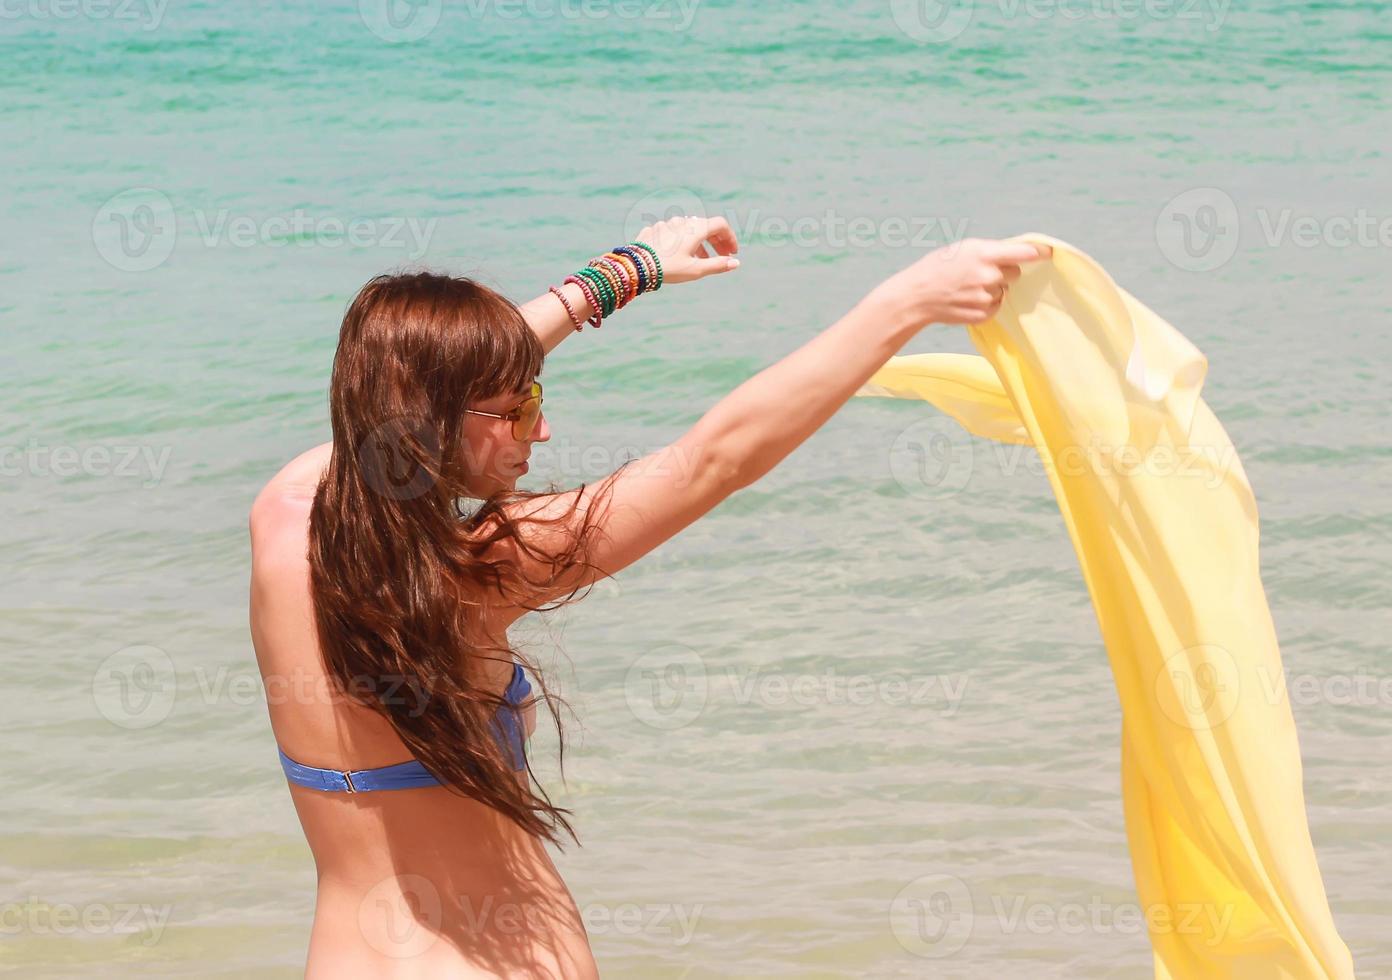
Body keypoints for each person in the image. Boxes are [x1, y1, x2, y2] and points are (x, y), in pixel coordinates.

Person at [248, 215, 1049, 978]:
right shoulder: (480, 574)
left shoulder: (283, 516)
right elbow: (714, 460)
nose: (542, 430)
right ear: (432, 422)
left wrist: (622, 276)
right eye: (520, 408)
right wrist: (909, 300)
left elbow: (434, 379)